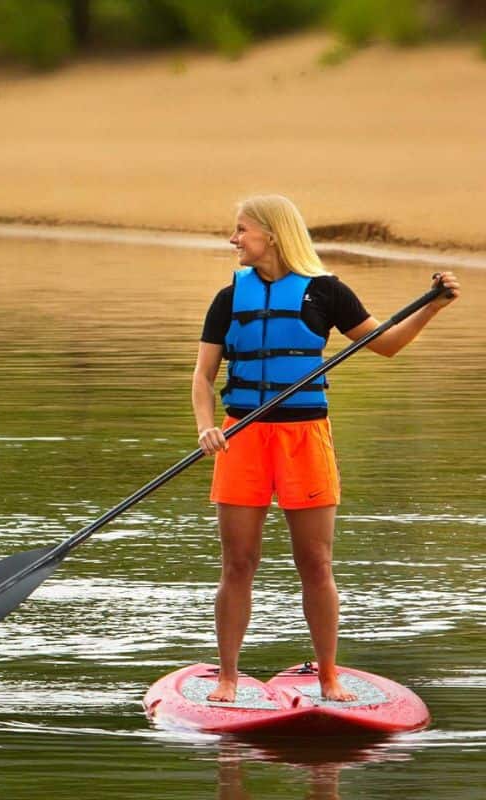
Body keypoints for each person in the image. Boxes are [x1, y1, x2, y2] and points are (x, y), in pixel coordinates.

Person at [192, 194, 458, 703]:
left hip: (305, 438)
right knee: (238, 563)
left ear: (272, 234)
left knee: (315, 562)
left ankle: (329, 677)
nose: (233, 239)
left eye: (242, 230)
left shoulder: (326, 292)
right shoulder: (229, 298)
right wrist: (206, 428)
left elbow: (386, 344)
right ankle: (227, 677)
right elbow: (202, 377)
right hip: (241, 437)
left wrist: (432, 307)